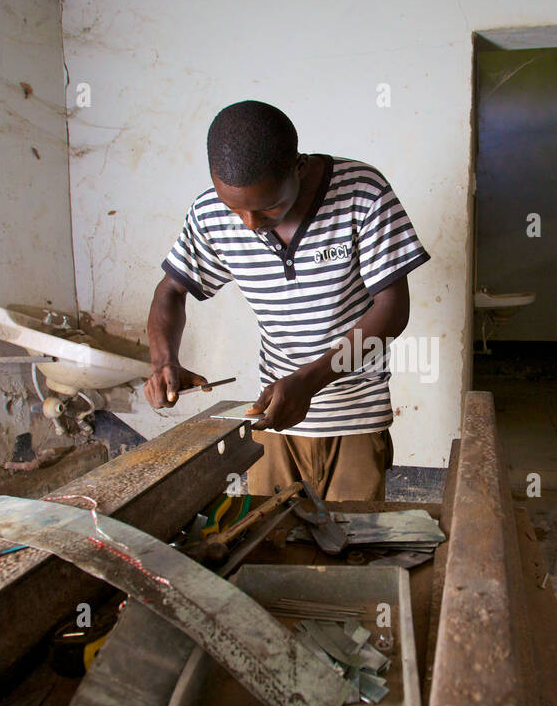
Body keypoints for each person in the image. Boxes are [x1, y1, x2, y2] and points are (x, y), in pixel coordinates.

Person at [144, 100, 429, 501]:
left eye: (268, 207)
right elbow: (171, 291)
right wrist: (163, 361)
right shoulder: (209, 212)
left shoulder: (362, 191)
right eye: (235, 208)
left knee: (355, 548)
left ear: (298, 166)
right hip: (274, 421)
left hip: (355, 418)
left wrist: (308, 382)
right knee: (272, 543)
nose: (250, 223)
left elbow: (392, 311)